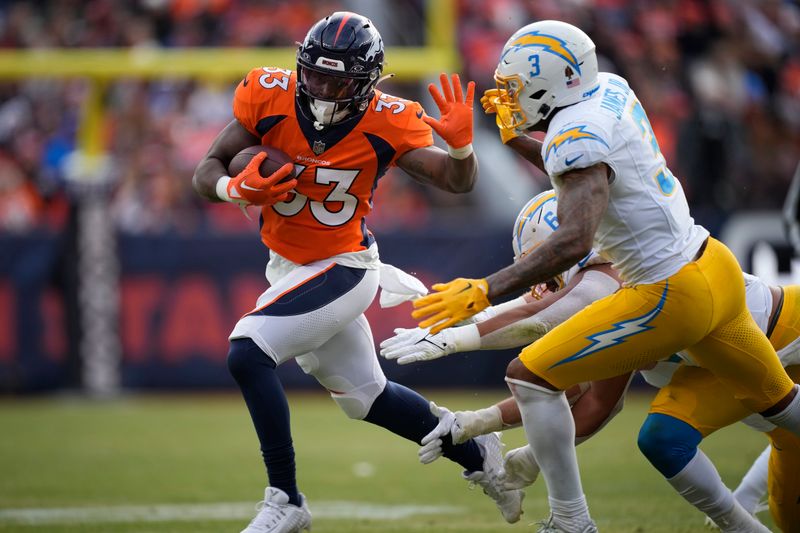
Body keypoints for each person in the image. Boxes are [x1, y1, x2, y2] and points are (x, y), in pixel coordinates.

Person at [409, 19, 800, 533]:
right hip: (712, 264)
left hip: (670, 291)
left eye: (517, 88)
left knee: (530, 375)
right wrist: (511, 135)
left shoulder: (577, 139)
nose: (509, 96)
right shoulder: (608, 89)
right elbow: (574, 168)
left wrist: (486, 290)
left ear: (551, 82)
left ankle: (572, 521)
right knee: (787, 413)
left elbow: (572, 240)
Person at [191, 11, 522, 533]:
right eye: (315, 74)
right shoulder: (269, 94)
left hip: (345, 266)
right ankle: (477, 451)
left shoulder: (387, 119)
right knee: (366, 398)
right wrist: (235, 190)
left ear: (366, 82)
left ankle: (285, 499)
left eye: (336, 78)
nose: (321, 88)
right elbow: (207, 168)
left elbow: (456, 182)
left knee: (247, 351)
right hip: (288, 267)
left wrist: (461, 147)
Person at [385, 190, 800, 531]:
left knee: (672, 435)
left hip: (783, 333)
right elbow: (582, 393)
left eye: (543, 268)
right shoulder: (614, 289)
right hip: (717, 371)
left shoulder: (618, 279)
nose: (540, 284)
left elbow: (546, 332)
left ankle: (578, 520)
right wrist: (479, 422)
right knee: (671, 442)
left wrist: (457, 339)